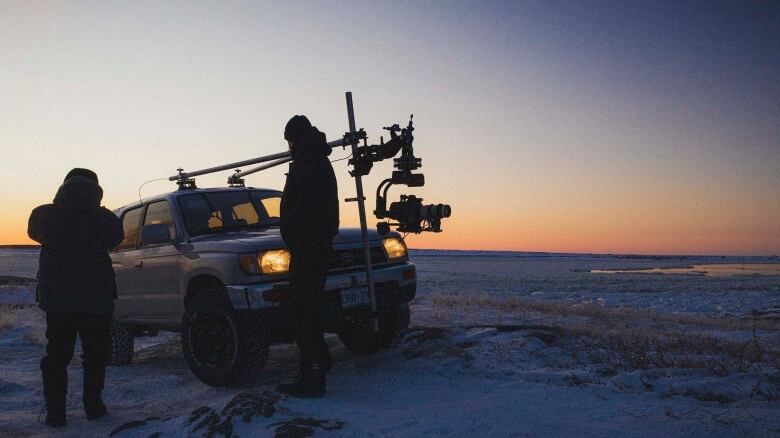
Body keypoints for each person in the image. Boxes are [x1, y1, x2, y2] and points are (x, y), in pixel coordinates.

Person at [27, 168, 124, 427]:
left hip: (59, 301)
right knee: (95, 356)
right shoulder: (106, 218)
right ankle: (94, 407)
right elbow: (116, 239)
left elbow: (33, 233)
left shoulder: (43, 215)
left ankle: (56, 413)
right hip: (97, 300)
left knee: (57, 357)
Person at [276, 115, 339, 398]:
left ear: (297, 138)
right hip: (316, 244)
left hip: (309, 246)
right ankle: (319, 363)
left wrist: (292, 229)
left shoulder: (308, 161)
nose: (288, 145)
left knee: (304, 311)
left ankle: (311, 376)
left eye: (290, 140)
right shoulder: (315, 159)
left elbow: (306, 207)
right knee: (309, 309)